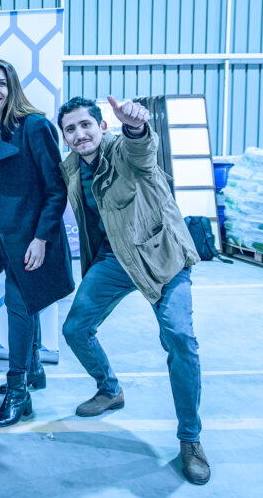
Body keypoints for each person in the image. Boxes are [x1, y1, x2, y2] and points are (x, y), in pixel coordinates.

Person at [57, 96, 209, 485]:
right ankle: (109, 389)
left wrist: (136, 126)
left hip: (161, 255)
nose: (79, 134)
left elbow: (142, 149)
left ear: (102, 126)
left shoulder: (124, 150)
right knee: (75, 329)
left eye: (85, 125)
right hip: (114, 260)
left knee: (179, 337)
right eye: (70, 129)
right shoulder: (71, 167)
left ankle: (190, 441)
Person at [0, 59, 74, 427]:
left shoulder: (34, 126)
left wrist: (41, 238)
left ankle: (18, 391)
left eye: (1, 83)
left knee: (17, 307)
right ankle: (32, 371)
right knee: (25, 305)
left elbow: (55, 187)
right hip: (6, 240)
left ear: (13, 88)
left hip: (31, 239)